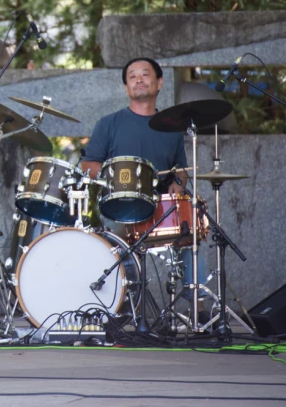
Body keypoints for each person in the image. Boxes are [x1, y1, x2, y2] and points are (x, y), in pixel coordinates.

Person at [81, 57, 208, 320]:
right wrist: (111, 179)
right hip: (117, 208)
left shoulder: (172, 128)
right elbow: (88, 164)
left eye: (145, 74)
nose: (139, 79)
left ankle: (199, 308)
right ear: (127, 88)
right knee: (106, 247)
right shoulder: (109, 123)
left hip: (160, 207)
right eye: (132, 76)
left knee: (191, 231)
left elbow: (180, 170)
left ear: (159, 82)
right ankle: (116, 310)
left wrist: (177, 183)